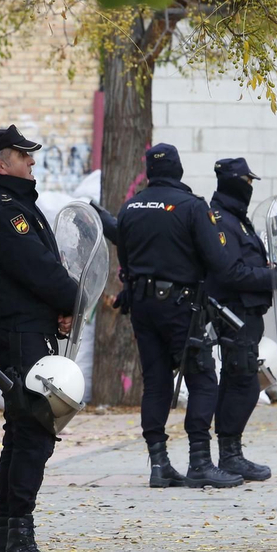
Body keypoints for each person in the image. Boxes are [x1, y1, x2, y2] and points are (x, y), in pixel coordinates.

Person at [0, 124, 80, 552]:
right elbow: (42, 273)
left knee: (22, 435)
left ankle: (7, 540)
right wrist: (72, 301)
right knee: (32, 435)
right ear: (0, 164)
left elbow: (38, 275)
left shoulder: (10, 207)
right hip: (17, 337)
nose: (31, 160)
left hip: (22, 332)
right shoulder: (4, 213)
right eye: (22, 154)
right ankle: (18, 543)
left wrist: (60, 309)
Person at [116, 143, 243, 489]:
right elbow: (218, 260)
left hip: (142, 306)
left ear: (149, 172)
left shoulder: (129, 207)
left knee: (156, 381)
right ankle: (200, 461)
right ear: (179, 170)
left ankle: (159, 464)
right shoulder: (191, 206)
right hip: (181, 307)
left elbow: (124, 261)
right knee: (202, 379)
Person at [206, 158, 277, 481]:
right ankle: (229, 454)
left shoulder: (237, 218)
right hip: (234, 312)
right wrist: (268, 277)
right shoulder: (222, 220)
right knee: (244, 382)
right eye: (248, 182)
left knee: (240, 380)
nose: (251, 188)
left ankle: (231, 452)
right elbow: (229, 272)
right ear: (235, 182)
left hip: (248, 312)